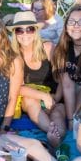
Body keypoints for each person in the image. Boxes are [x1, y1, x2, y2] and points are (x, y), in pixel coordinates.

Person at [9, 11, 66, 148]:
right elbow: (18, 87)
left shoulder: (48, 48)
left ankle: (56, 137)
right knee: (30, 102)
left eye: (29, 29)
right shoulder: (14, 55)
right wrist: (43, 96)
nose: (25, 34)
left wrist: (56, 97)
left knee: (58, 112)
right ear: (15, 34)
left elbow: (63, 76)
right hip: (31, 97)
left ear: (35, 31)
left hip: (54, 96)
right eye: (19, 30)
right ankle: (51, 132)